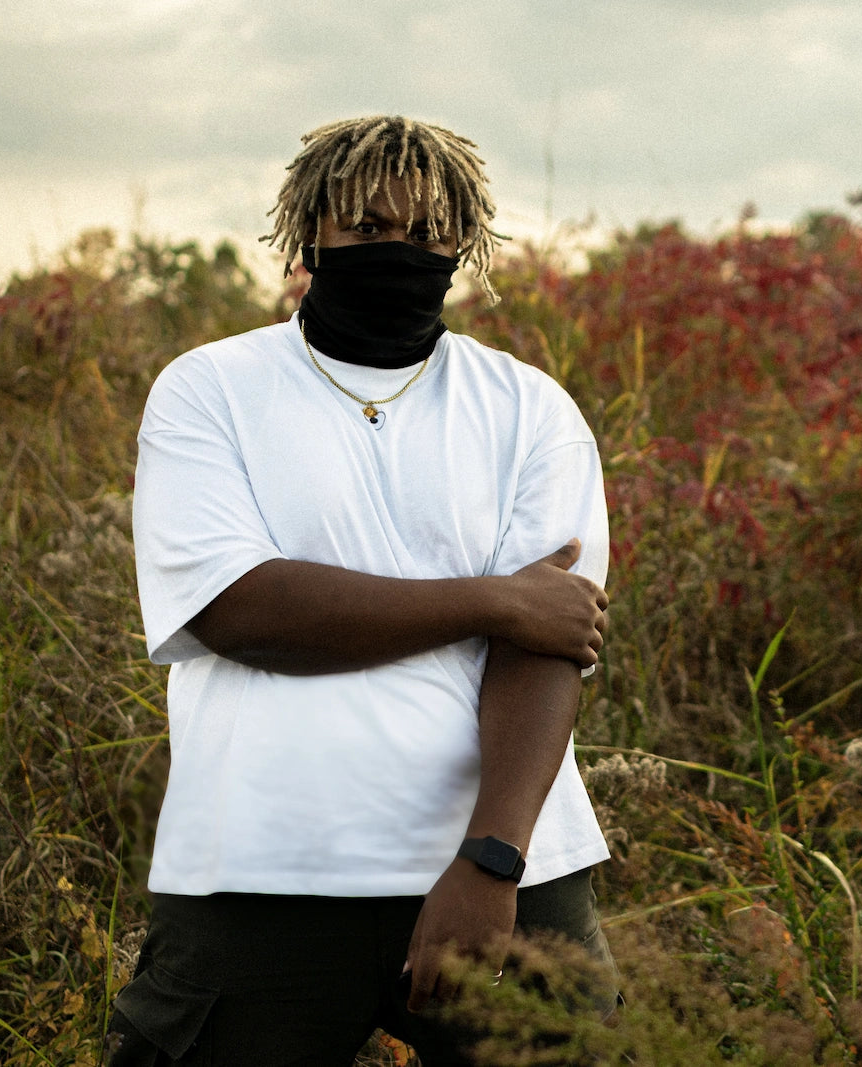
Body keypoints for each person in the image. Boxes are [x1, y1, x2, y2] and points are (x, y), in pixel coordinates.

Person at [107, 115, 617, 1066]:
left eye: (428, 234)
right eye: (370, 228)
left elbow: (549, 645)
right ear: (312, 236)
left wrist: (491, 856)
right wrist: (491, 598)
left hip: (507, 874)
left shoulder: (530, 409)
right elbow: (240, 609)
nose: (402, 251)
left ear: (463, 243)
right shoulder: (210, 389)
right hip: (260, 870)